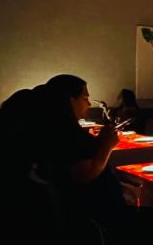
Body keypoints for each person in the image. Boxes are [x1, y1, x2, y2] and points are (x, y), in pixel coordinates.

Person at [40, 74, 123, 217]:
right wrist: (106, 145)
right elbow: (81, 175)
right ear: (70, 100)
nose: (89, 104)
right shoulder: (65, 133)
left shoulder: (49, 129)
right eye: (85, 98)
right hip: (90, 212)